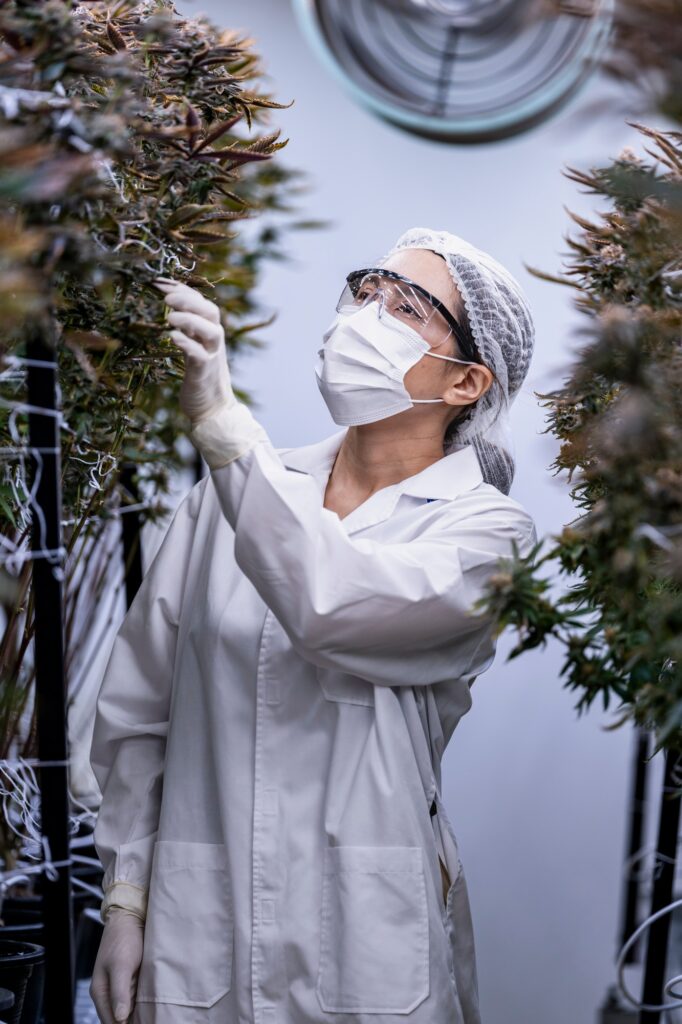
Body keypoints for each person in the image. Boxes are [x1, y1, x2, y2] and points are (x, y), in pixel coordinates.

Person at [89, 226, 537, 1024]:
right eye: (367, 290)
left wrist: (223, 425)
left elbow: (332, 603)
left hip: (367, 935)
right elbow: (139, 714)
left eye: (407, 307)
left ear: (468, 382)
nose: (366, 315)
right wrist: (125, 899)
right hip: (197, 933)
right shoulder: (224, 502)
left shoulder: (487, 536)